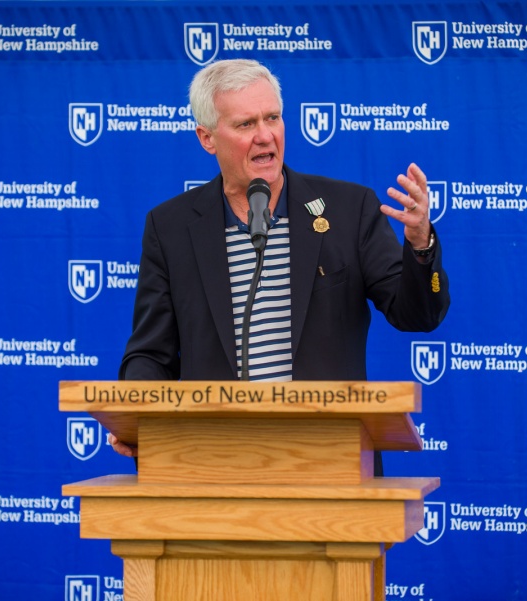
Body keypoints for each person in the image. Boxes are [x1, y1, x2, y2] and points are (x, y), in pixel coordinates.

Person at [111, 59, 449, 472]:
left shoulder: (348, 210)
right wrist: (136, 412)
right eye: (245, 124)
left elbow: (418, 315)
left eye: (272, 117)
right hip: (215, 463)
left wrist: (419, 244)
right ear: (207, 138)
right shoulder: (170, 227)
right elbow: (151, 354)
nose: (265, 135)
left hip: (331, 461)